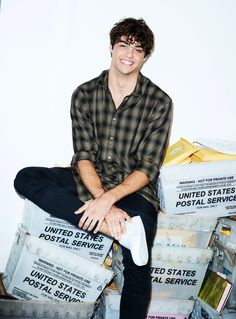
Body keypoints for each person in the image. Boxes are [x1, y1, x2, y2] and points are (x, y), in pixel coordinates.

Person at [14, 17, 173, 319]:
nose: (129, 53)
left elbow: (149, 168)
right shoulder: (85, 94)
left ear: (145, 56)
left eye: (138, 49)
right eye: (124, 45)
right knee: (26, 177)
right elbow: (83, 155)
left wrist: (108, 200)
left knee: (138, 265)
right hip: (88, 182)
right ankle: (112, 229)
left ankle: (125, 235)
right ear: (111, 47)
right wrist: (101, 204)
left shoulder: (160, 102)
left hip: (134, 189)